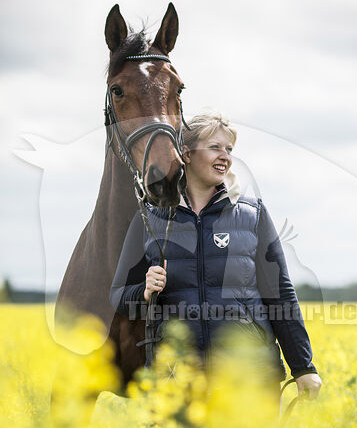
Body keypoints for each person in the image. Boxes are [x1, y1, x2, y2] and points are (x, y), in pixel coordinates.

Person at [110, 112, 322, 400]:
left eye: (229, 149)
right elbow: (118, 295)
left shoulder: (252, 214)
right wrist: (144, 292)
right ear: (185, 153)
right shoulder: (149, 219)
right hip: (176, 381)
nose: (225, 157)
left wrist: (303, 367)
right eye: (215, 147)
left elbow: (280, 293)